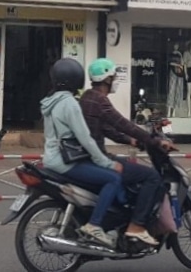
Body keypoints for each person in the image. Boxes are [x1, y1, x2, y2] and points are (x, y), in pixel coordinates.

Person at [81, 58, 177, 248]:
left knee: (129, 169)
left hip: (90, 157)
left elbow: (107, 129)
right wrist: (154, 141)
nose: (116, 80)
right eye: (114, 77)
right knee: (151, 177)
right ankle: (136, 225)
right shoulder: (100, 101)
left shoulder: (87, 97)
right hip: (98, 159)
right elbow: (123, 124)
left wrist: (131, 141)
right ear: (107, 79)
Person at [41, 58, 124, 249]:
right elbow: (86, 139)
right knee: (113, 178)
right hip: (65, 161)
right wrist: (107, 163)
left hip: (51, 159)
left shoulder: (50, 101)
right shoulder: (69, 103)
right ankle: (94, 225)